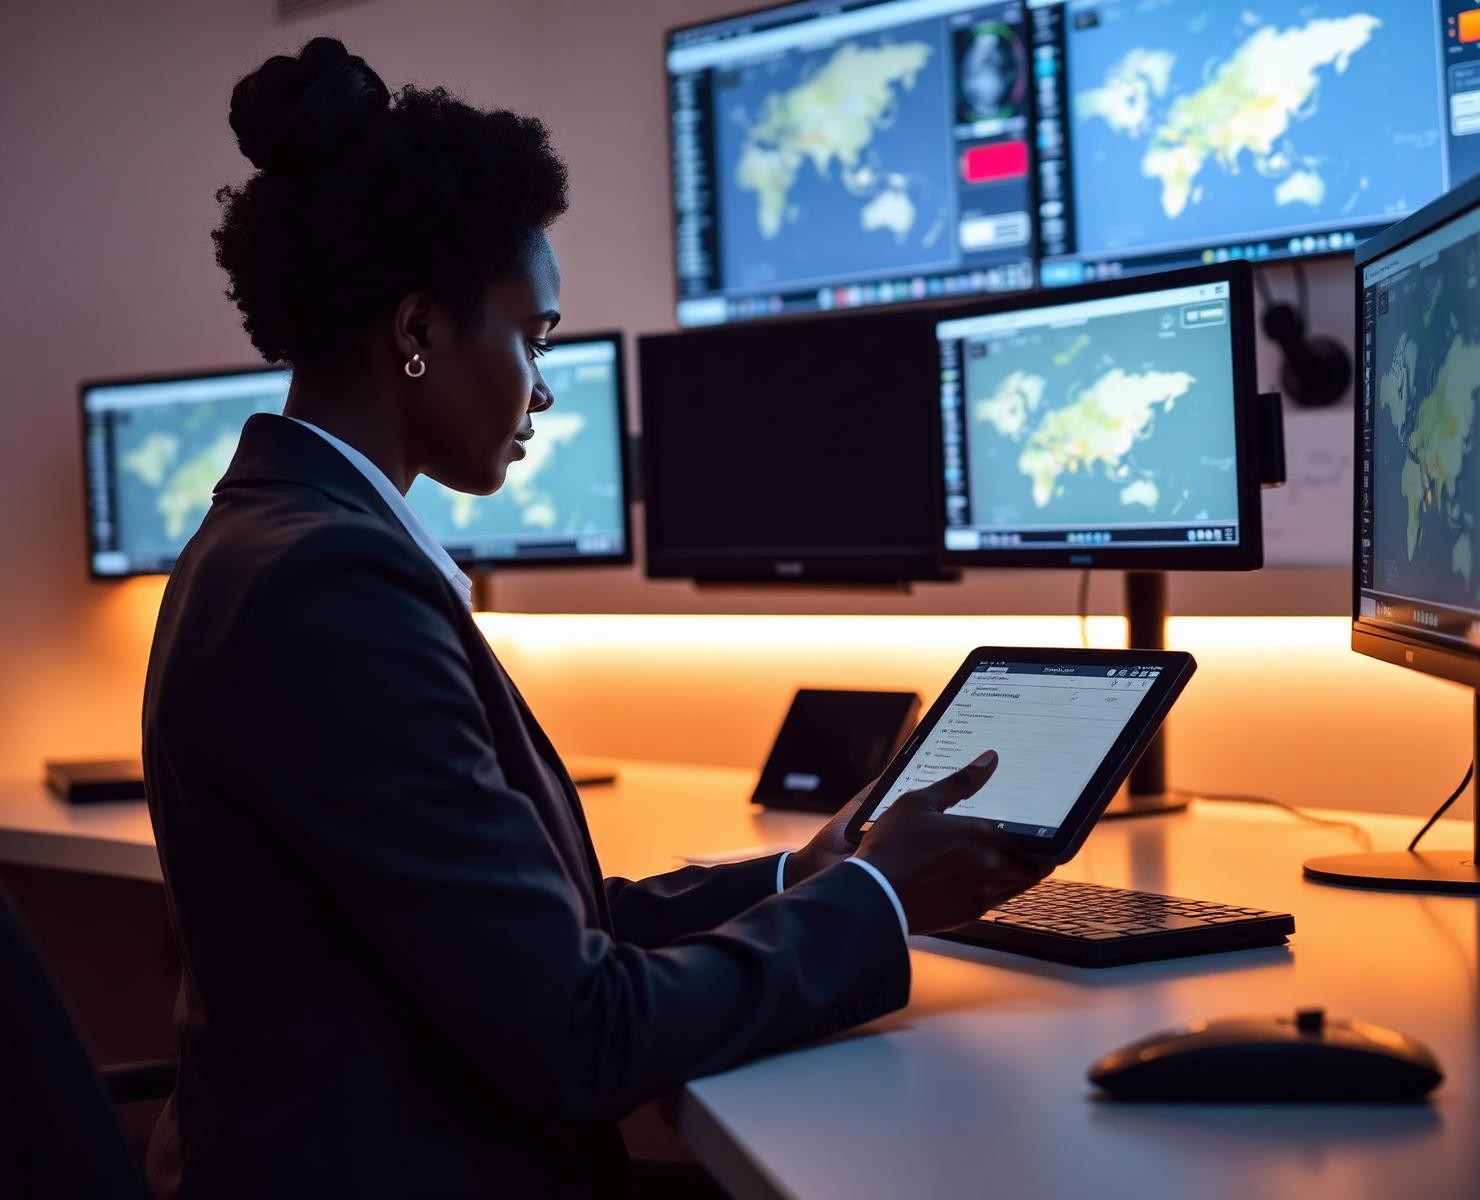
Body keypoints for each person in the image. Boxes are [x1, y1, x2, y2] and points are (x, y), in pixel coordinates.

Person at [143, 38, 1052, 1198]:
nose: (548, 386)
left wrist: (801, 879)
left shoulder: (274, 537)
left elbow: (532, 935)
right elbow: (578, 1031)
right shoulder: (331, 591)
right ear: (418, 332)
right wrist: (883, 903)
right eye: (538, 337)